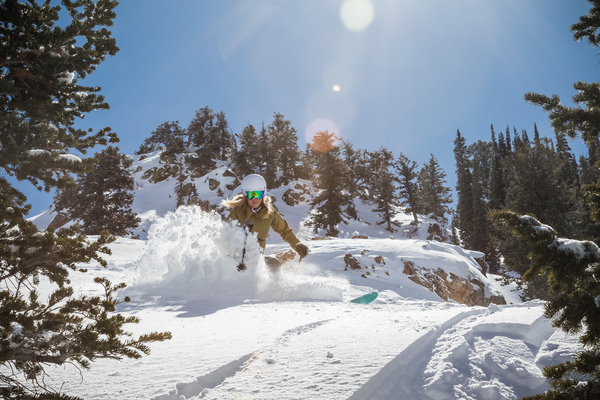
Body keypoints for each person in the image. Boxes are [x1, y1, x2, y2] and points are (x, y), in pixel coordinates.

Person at [223, 174, 309, 270]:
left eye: (258, 194)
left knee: (274, 264)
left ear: (263, 194)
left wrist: (297, 245)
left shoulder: (270, 212)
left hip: (257, 259)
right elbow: (225, 235)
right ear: (245, 195)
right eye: (252, 195)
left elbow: (284, 230)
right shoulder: (237, 212)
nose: (255, 199)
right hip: (238, 259)